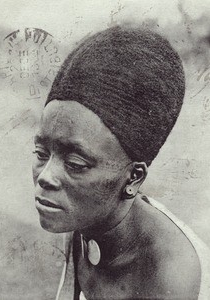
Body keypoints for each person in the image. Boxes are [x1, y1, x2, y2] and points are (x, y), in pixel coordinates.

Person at [32, 26, 210, 299]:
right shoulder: (87, 214)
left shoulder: (170, 277)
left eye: (76, 164)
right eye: (42, 153)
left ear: (134, 178)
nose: (46, 176)